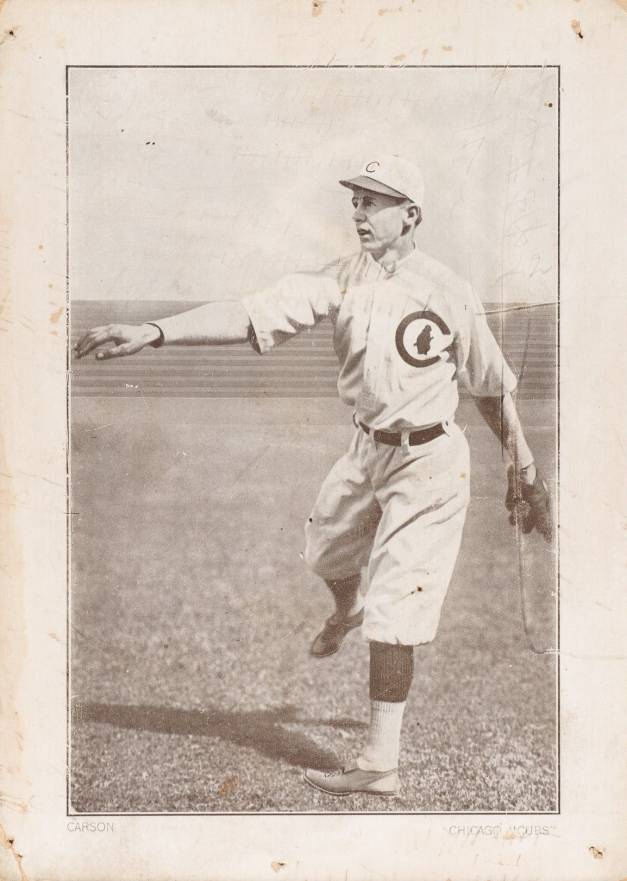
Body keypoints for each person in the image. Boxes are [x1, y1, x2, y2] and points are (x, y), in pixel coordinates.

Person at [74, 155, 552, 797]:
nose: (358, 211)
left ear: (411, 213)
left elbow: (492, 389)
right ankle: (344, 605)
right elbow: (249, 314)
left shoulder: (449, 289)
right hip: (365, 451)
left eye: (373, 201)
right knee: (324, 551)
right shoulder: (340, 281)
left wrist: (522, 468)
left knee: (395, 609)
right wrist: (155, 331)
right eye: (355, 200)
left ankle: (380, 762)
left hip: (431, 461)